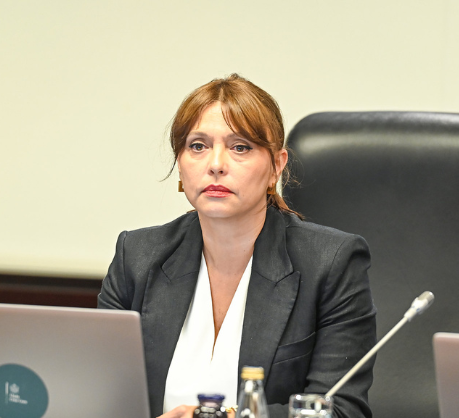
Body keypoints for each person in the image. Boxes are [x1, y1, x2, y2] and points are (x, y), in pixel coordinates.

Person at [98, 74, 376, 418]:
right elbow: (100, 396)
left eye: (240, 147)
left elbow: (342, 411)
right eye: (197, 146)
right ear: (180, 164)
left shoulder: (331, 263)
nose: (216, 165)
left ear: (276, 167)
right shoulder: (137, 256)